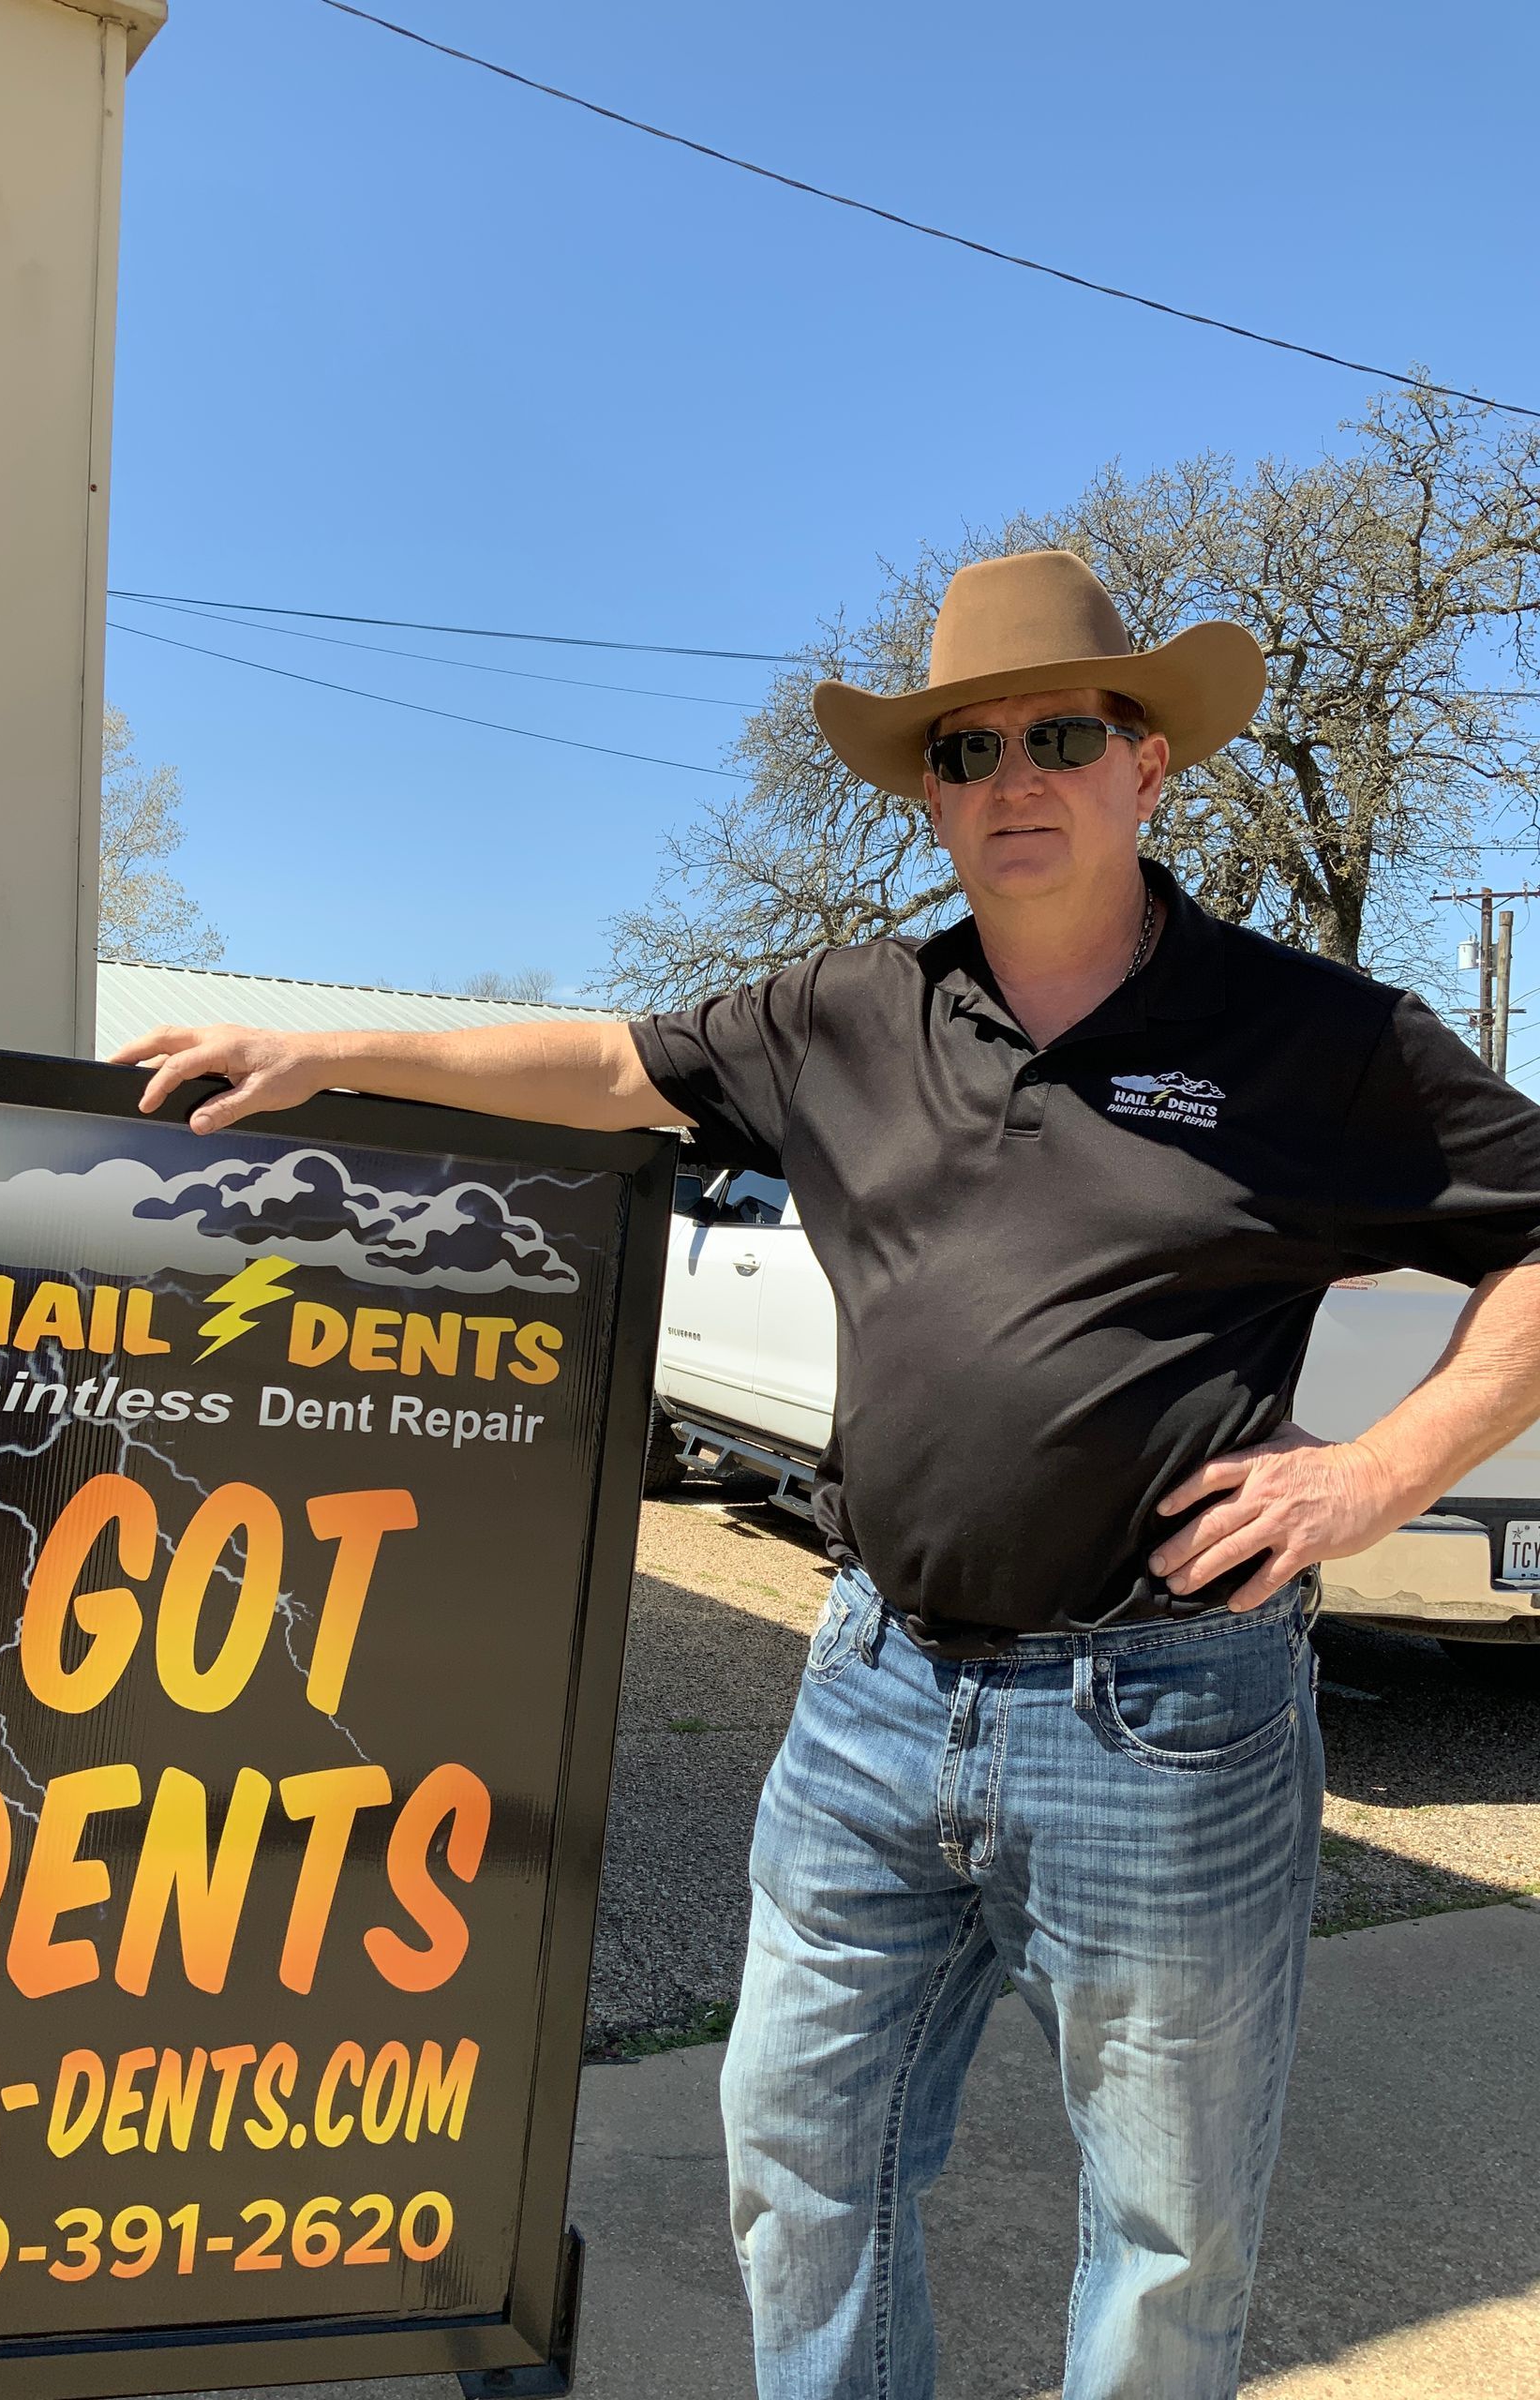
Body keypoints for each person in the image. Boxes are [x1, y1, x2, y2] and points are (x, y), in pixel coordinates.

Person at [113, 548, 1540, 2400]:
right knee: (799, 2159)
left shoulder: (1317, 1039)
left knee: (1168, 2228)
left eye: (1059, 736)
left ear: (1146, 765)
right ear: (929, 792)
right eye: (966, 749)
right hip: (873, 1693)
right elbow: (608, 1064)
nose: (1012, 777)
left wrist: (1387, 1470)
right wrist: (325, 1050)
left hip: (1163, 1713)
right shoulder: (848, 1012)